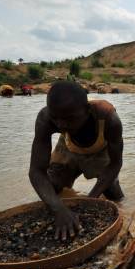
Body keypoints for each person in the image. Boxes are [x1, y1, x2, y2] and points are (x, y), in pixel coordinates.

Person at [29, 81, 124, 240]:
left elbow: (115, 163)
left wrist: (91, 200)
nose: (61, 124)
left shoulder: (109, 119)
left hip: (99, 149)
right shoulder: (45, 119)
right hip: (68, 147)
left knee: (114, 195)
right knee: (52, 188)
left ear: (86, 111)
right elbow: (37, 171)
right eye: (55, 118)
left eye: (69, 119)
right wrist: (58, 209)